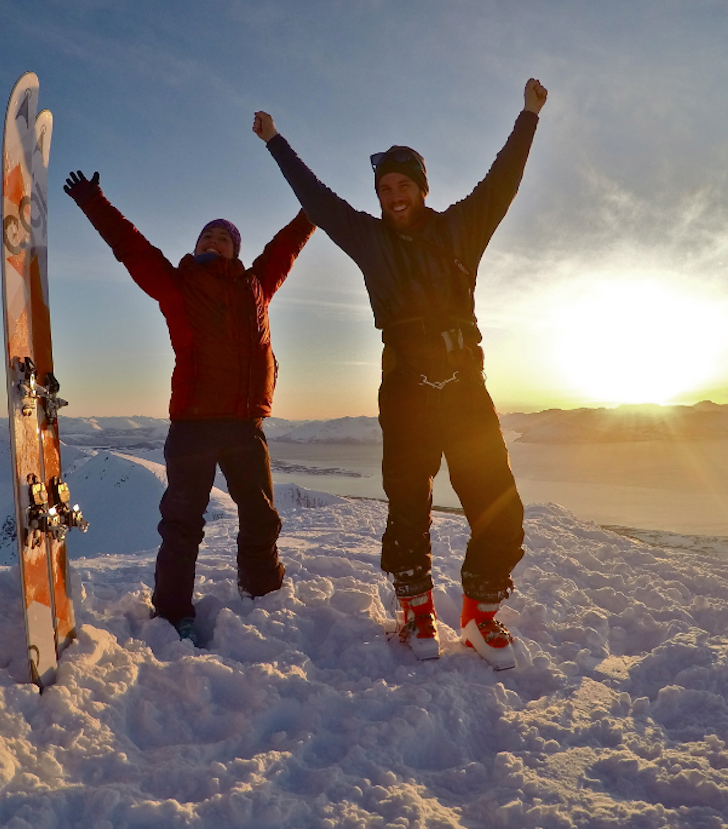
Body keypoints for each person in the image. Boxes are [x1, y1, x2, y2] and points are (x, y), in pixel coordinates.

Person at [251, 78, 548, 669]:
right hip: (407, 390)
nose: (392, 196)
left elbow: (503, 179)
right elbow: (320, 201)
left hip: (464, 388)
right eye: (384, 188)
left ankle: (479, 615)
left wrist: (529, 115)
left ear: (421, 188)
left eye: (402, 185)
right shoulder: (369, 240)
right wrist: (276, 143)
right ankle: (415, 610)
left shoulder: (461, 228)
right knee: (408, 504)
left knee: (500, 506)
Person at [63, 169, 315, 645]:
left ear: (235, 251)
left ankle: (262, 592)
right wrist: (94, 200)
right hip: (194, 425)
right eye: (207, 235)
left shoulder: (256, 287)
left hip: (245, 424)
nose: (214, 241)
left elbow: (286, 247)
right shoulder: (176, 284)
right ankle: (173, 610)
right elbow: (131, 247)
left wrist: (311, 212)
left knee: (261, 516)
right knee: (182, 525)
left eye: (223, 237)